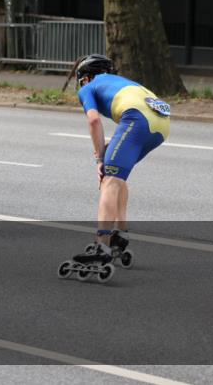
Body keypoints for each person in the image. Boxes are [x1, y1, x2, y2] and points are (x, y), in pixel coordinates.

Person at [61, 54, 170, 277]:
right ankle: (120, 234)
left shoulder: (88, 89)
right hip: (161, 125)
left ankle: (102, 244)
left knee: (109, 179)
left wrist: (99, 158)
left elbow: (93, 121)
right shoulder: (123, 82)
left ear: (86, 78)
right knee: (117, 176)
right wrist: (108, 151)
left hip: (137, 120)